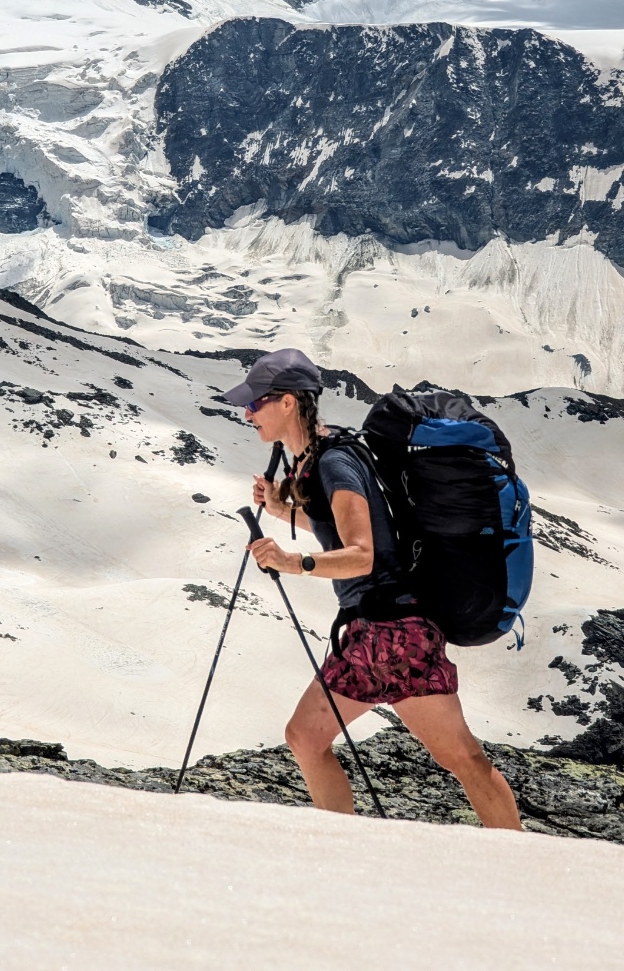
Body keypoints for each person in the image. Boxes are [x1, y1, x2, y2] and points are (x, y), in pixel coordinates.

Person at [223, 347, 522, 828]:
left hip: (387, 634)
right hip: (394, 631)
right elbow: (351, 531)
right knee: (460, 759)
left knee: (312, 738)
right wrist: (283, 511)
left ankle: (345, 851)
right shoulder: (324, 455)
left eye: (256, 402)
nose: (247, 412)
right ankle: (522, 858)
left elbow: (361, 553)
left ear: (288, 403)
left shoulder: (334, 463)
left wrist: (289, 559)